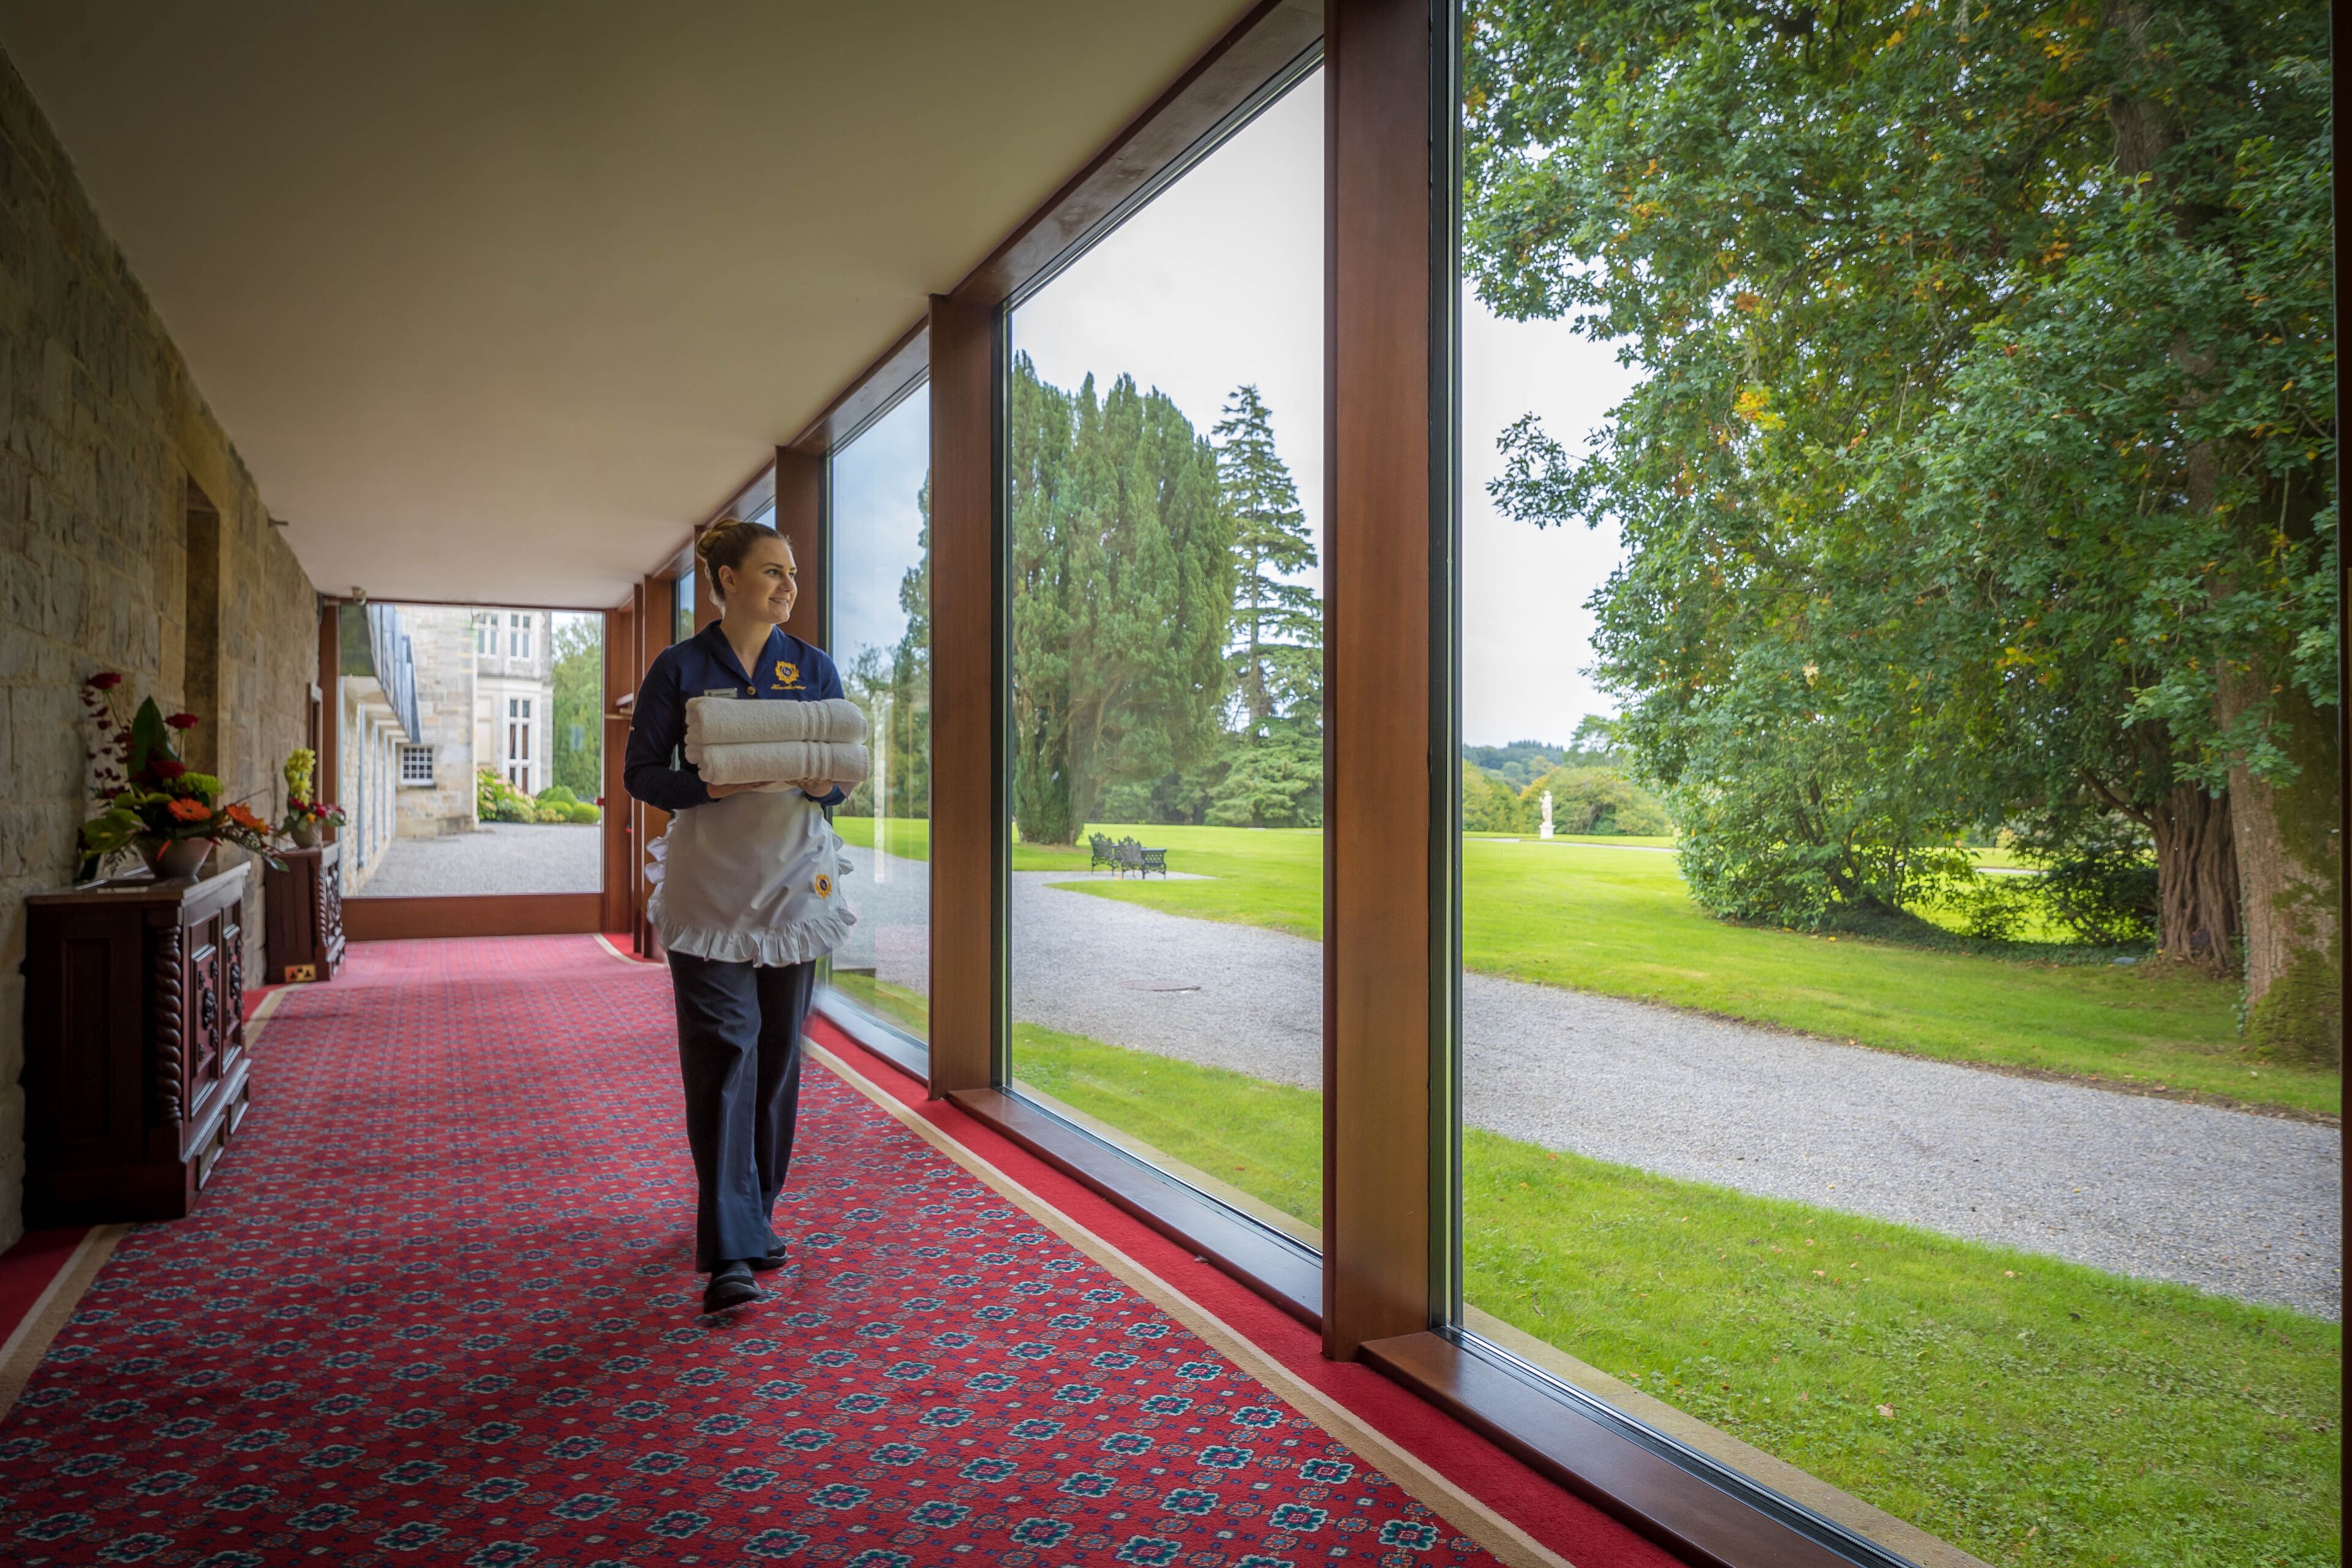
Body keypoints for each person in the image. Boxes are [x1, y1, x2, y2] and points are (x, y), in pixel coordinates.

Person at [623, 518, 855, 1313]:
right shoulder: (681, 668)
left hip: (797, 886)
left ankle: (753, 1214)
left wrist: (827, 782)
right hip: (709, 890)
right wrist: (709, 787)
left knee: (779, 1057)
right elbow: (643, 773)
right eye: (771, 572)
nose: (788, 586)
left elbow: (838, 770)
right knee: (727, 1050)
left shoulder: (812, 667)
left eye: (791, 573)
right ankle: (730, 1253)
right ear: (725, 579)